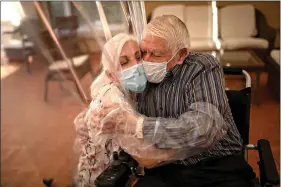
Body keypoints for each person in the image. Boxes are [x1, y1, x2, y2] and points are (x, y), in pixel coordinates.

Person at [93, 15, 256, 187]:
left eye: (156, 54)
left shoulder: (201, 67)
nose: (146, 61)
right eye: (143, 52)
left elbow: (203, 128)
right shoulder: (139, 79)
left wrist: (139, 125)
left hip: (217, 165)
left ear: (181, 55)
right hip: (165, 170)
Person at [73, 33, 175, 187]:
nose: (136, 65)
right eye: (124, 62)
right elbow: (148, 159)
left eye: (138, 56)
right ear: (111, 75)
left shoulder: (127, 90)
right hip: (103, 180)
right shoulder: (113, 105)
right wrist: (187, 145)